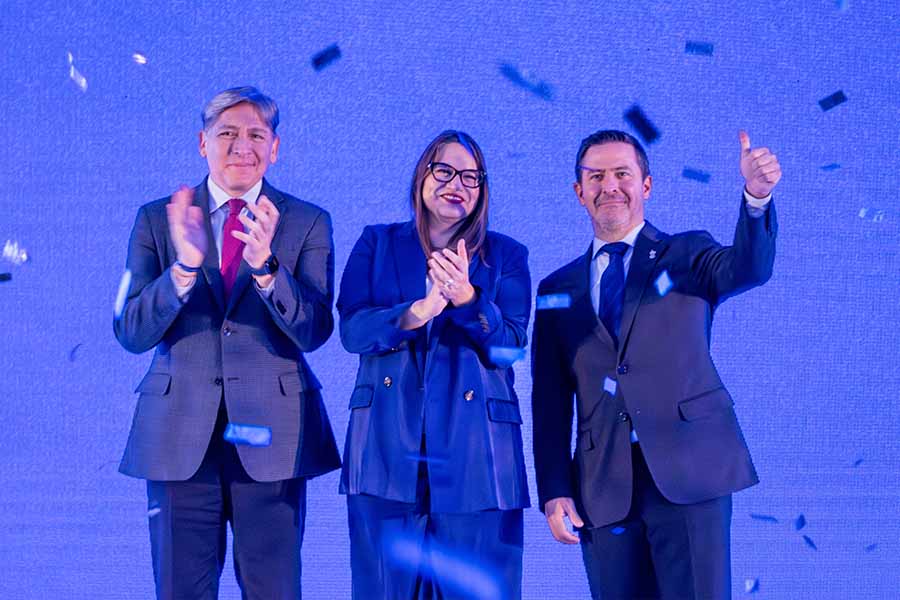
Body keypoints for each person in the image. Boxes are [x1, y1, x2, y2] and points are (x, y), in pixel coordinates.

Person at [532, 129, 781, 599]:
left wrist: (756, 198)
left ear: (646, 185)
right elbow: (549, 400)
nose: (610, 186)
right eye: (596, 176)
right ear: (578, 191)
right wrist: (553, 488)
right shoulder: (555, 288)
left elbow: (748, 267)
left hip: (689, 474)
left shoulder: (686, 254)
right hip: (602, 488)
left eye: (622, 174)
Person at [114, 86, 340, 599]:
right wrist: (184, 268)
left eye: (257, 134)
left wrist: (267, 270)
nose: (243, 146)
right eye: (228, 134)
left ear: (275, 147)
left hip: (275, 439)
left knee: (274, 591)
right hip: (177, 438)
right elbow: (130, 330)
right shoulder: (157, 219)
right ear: (202, 143)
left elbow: (316, 329)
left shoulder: (307, 221)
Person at [337, 130, 531, 599]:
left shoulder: (507, 255)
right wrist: (418, 311)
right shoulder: (377, 243)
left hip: (478, 458)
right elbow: (353, 332)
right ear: (422, 175)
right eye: (444, 171)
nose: (456, 184)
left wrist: (467, 298)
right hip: (385, 452)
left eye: (471, 176)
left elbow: (510, 347)